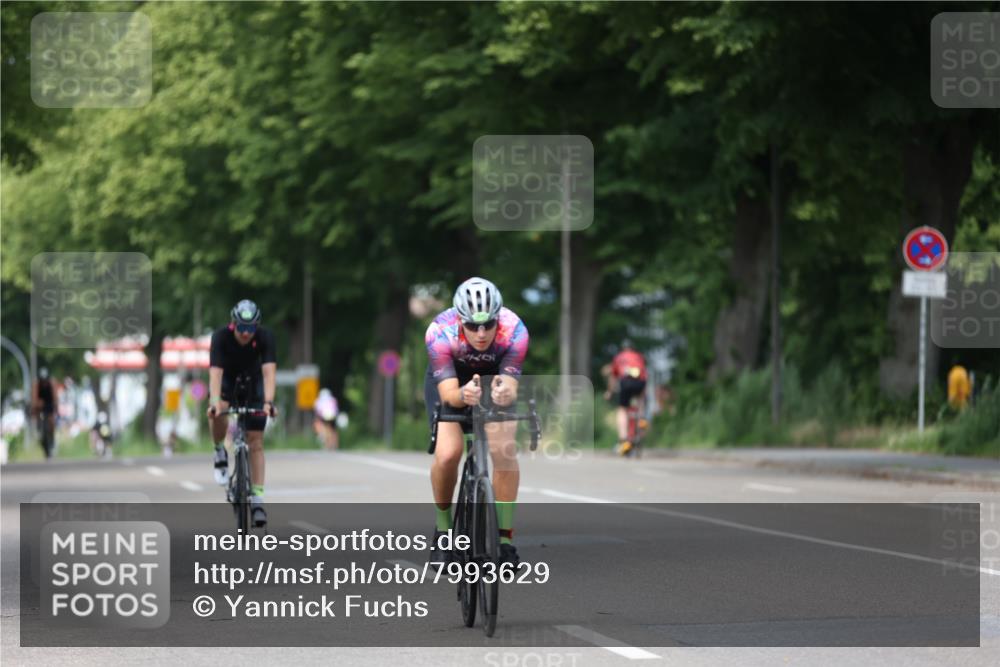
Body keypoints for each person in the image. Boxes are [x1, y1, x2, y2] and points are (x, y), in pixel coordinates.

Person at [424, 277, 529, 566]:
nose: (481, 334)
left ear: (498, 318)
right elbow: (448, 394)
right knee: (448, 454)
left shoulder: (515, 330)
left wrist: (505, 391)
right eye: (472, 326)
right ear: (460, 320)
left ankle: (504, 541)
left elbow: (509, 383)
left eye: (488, 325)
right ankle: (444, 532)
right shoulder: (439, 332)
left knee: (504, 452)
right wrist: (463, 394)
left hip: (493, 375)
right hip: (451, 380)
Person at [206, 300, 278, 527]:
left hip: (253, 382)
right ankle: (220, 453)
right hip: (228, 379)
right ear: (233, 323)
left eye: (251, 328)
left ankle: (257, 498)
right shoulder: (220, 338)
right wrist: (216, 402)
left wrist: (268, 402)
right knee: (218, 413)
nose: (246, 333)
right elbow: (215, 375)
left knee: (255, 441)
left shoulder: (265, 338)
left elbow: (268, 374)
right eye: (242, 328)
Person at [605, 342, 647, 456]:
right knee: (640, 402)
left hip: (626, 383)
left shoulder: (619, 357)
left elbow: (613, 377)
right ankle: (642, 419)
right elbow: (644, 373)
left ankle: (623, 440)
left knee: (622, 410)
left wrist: (609, 392)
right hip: (640, 383)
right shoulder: (639, 356)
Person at [31, 367, 58, 459]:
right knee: (39, 421)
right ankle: (40, 430)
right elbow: (34, 398)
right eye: (42, 381)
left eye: (45, 380)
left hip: (50, 404)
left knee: (51, 421)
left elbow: (55, 397)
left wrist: (56, 408)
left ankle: (52, 439)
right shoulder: (36, 384)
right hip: (40, 405)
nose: (44, 382)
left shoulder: (52, 383)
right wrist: (34, 409)